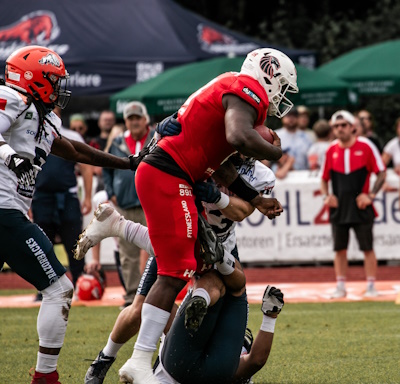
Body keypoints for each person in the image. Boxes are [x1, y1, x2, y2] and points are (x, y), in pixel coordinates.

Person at [108, 47, 298, 384]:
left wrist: (255, 197)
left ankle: (141, 357)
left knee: (181, 264)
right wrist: (278, 151)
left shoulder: (232, 90)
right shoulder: (245, 89)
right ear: (269, 76)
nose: (280, 97)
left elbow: (221, 165)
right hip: (170, 172)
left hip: (171, 170)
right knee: (175, 271)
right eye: (281, 86)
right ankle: (139, 359)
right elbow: (238, 136)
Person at [0, 45, 136, 384]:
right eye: (54, 80)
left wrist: (129, 163)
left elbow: (75, 150)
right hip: (3, 211)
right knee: (59, 288)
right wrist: (8, 155)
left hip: (10, 211)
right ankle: (46, 377)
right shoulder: (13, 98)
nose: (61, 88)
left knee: (58, 287)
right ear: (34, 79)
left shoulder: (42, 118)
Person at [74, 155, 277, 383]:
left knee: (216, 292)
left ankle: (120, 226)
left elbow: (242, 211)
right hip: (185, 230)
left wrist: (217, 197)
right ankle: (104, 359)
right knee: (139, 309)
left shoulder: (261, 174)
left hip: (221, 243)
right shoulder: (210, 149)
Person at [321, 110, 386, 299]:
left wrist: (371, 195)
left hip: (361, 206)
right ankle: (340, 286)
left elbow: (381, 172)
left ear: (353, 128)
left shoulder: (366, 146)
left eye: (343, 125)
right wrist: (326, 196)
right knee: (339, 248)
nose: (339, 129)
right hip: (339, 206)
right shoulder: (331, 149)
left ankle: (371, 285)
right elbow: (323, 178)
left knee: (367, 247)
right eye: (336, 126)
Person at [31, 107, 93, 299]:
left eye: (54, 112)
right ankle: (44, 290)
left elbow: (85, 166)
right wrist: (27, 202)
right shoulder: (31, 135)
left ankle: (80, 283)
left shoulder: (71, 136)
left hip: (67, 197)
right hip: (42, 198)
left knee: (75, 244)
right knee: (42, 246)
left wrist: (88, 197)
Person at [102, 101, 153, 308]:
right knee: (128, 255)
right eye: (130, 119)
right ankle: (132, 297)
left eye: (137, 118)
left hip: (152, 205)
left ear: (144, 119)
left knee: (158, 250)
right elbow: (106, 167)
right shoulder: (117, 142)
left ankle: (154, 296)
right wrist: (111, 192)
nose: (134, 122)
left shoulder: (156, 139)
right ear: (126, 121)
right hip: (125, 204)